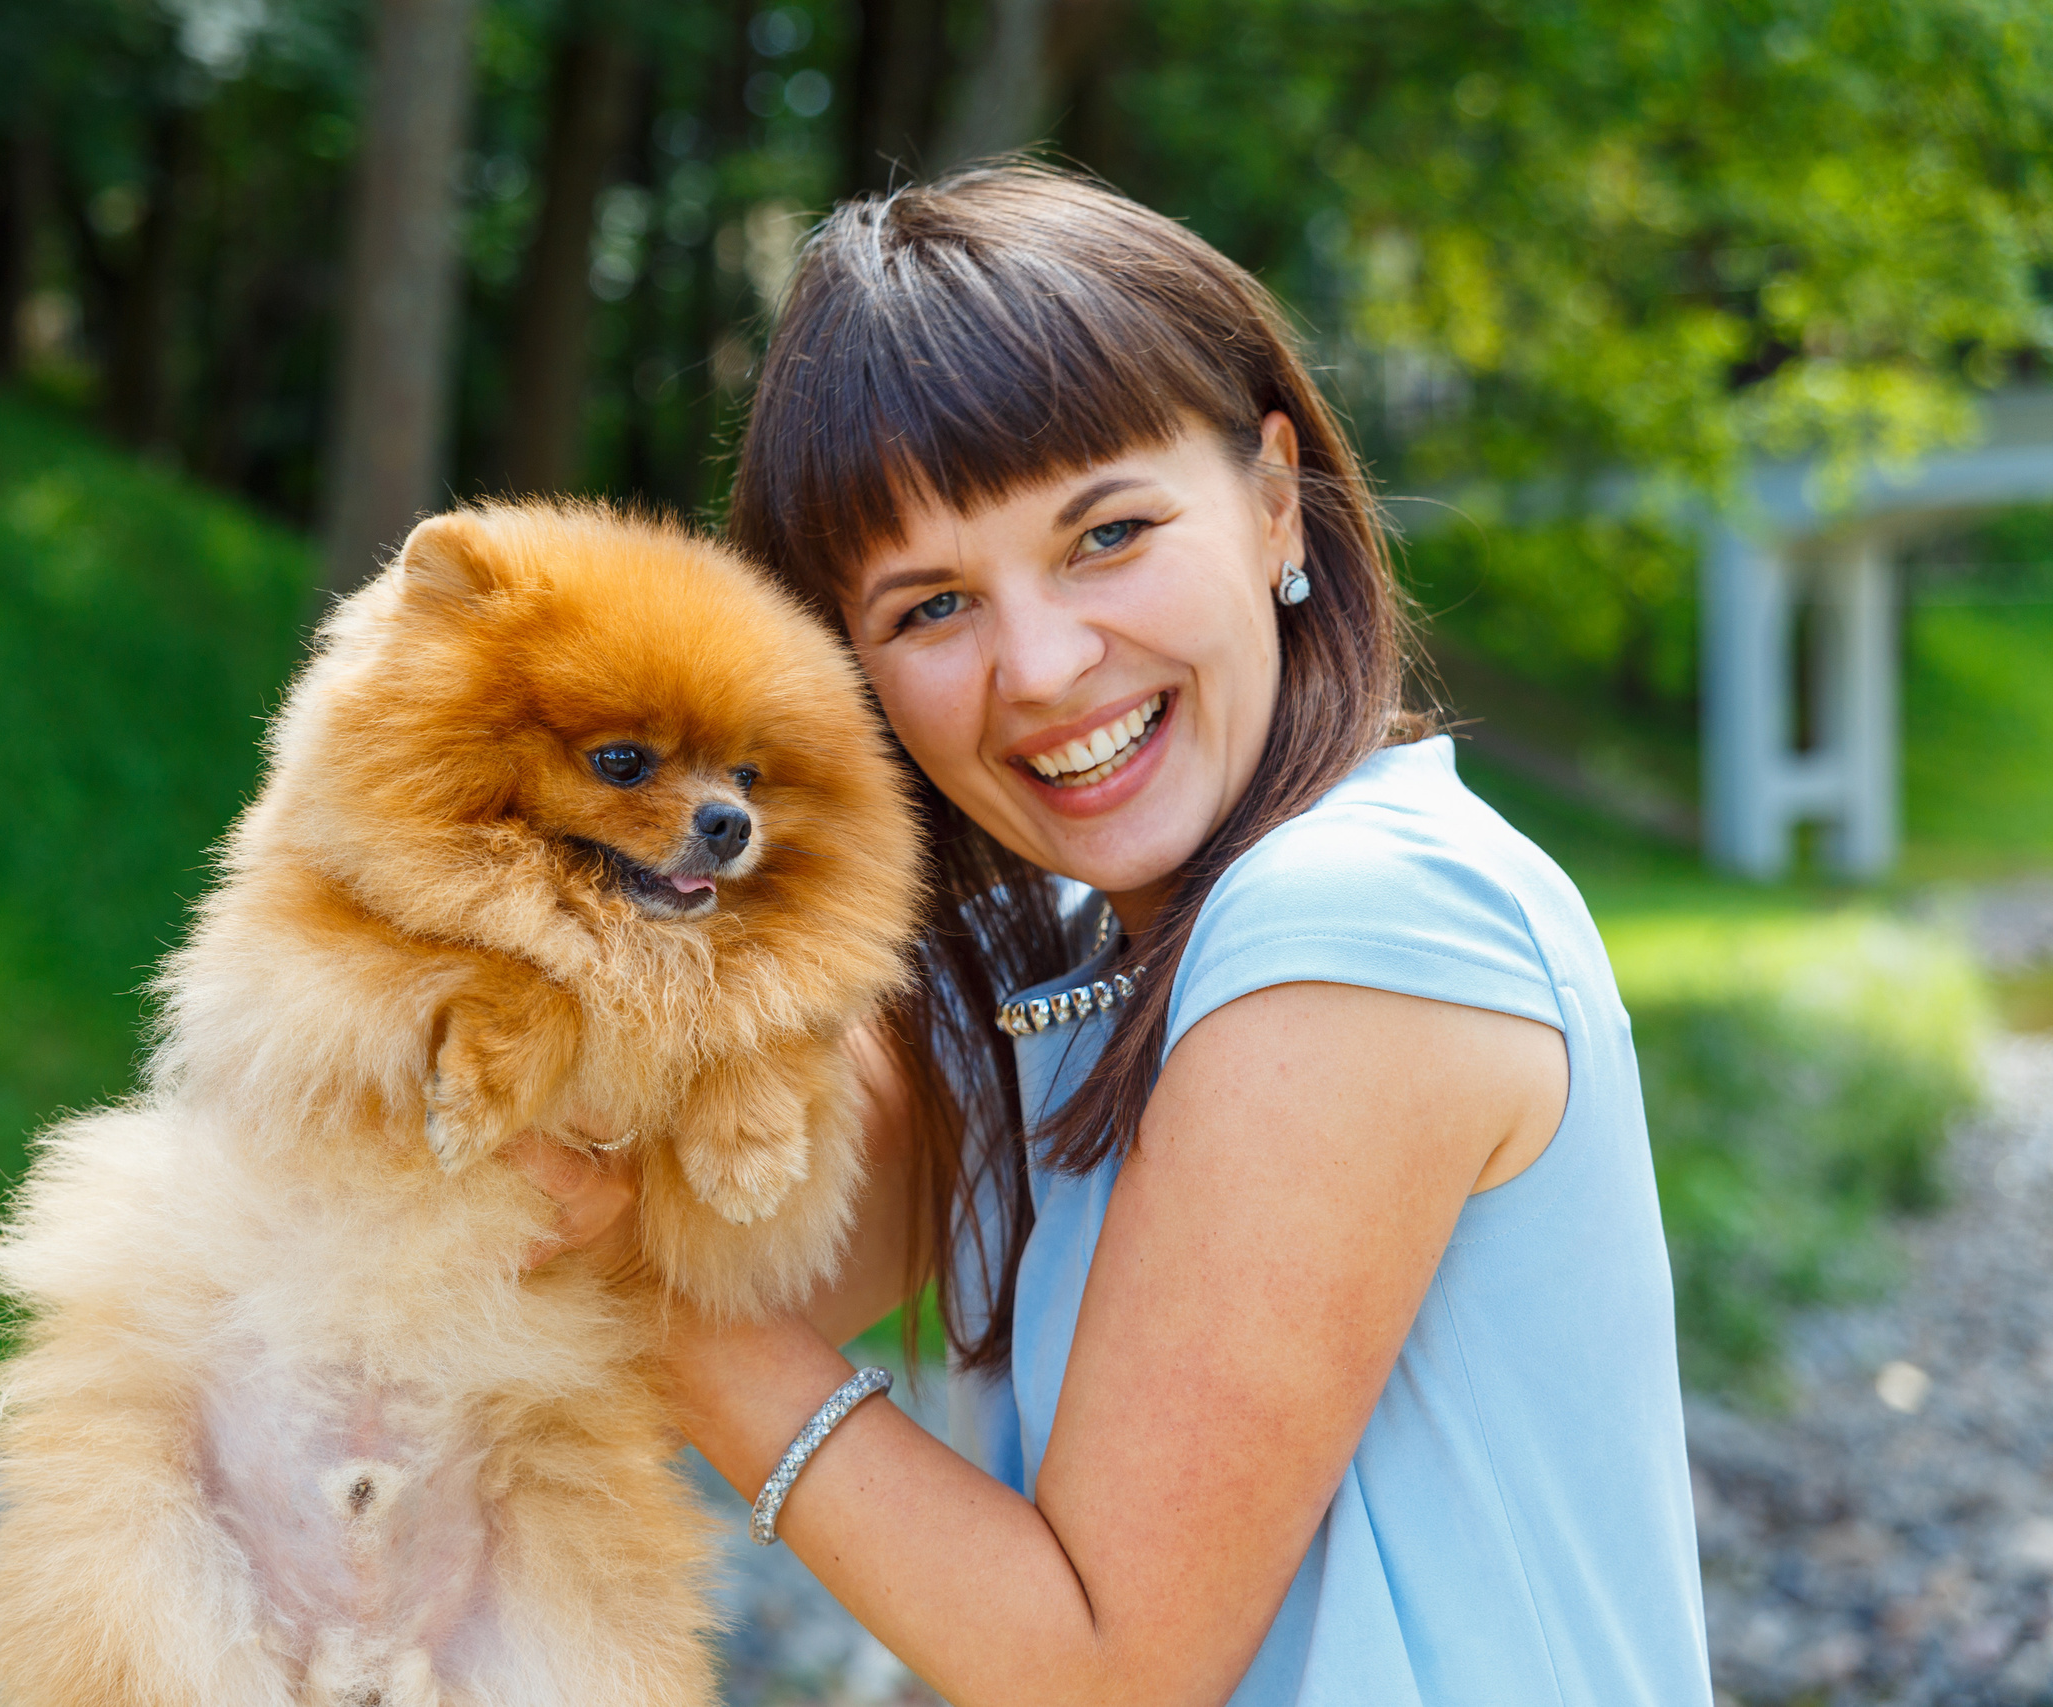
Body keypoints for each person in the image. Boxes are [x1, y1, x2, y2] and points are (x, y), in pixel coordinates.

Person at [516, 164, 1712, 1706]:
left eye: (1107, 535)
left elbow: (1104, 1668)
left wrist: (661, 1313)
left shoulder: (1356, 918)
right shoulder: (1064, 962)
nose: (1041, 665)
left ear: (1272, 499)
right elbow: (698, 1257)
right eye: (931, 608)